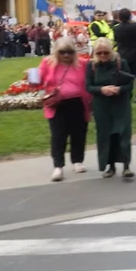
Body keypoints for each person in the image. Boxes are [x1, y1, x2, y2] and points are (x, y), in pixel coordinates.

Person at [39, 37, 92, 182]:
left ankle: (77, 161)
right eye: (63, 52)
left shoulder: (82, 63)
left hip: (77, 102)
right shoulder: (47, 63)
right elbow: (38, 82)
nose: (66, 55)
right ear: (56, 52)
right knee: (58, 135)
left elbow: (91, 79)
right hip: (57, 104)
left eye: (69, 52)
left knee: (79, 133)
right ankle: (58, 166)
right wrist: (33, 79)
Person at [86, 38, 136, 179]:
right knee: (105, 135)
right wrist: (101, 89)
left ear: (111, 51)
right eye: (99, 53)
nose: (102, 55)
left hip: (120, 103)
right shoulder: (92, 66)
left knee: (123, 133)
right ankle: (110, 166)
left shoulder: (121, 63)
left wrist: (118, 89)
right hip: (102, 105)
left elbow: (130, 84)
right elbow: (88, 86)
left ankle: (126, 165)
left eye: (105, 53)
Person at [111, 8, 136, 104]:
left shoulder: (116, 28)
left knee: (124, 75)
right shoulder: (135, 26)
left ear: (119, 17)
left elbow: (116, 39)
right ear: (130, 16)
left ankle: (126, 95)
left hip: (123, 53)